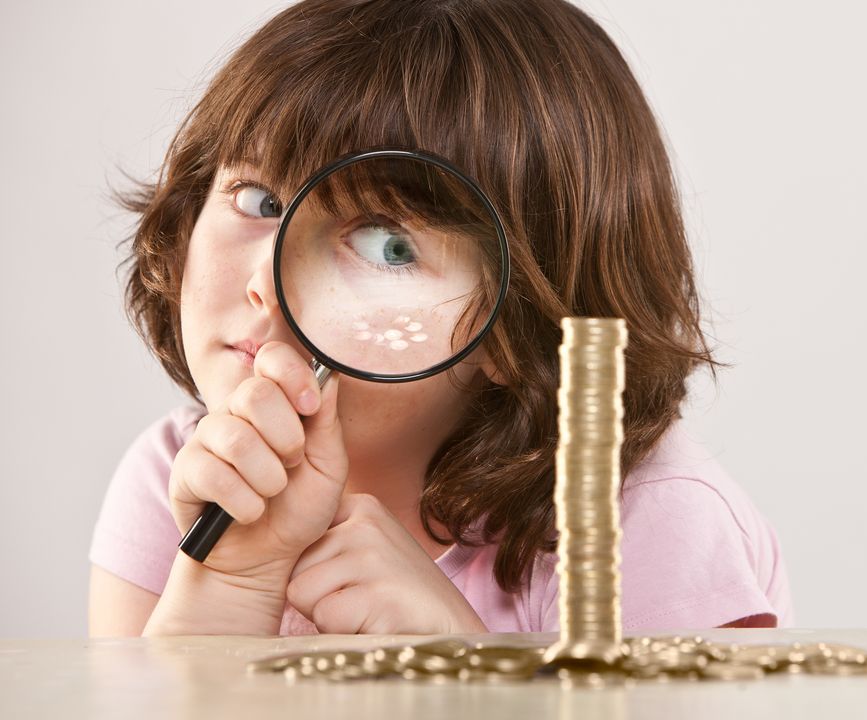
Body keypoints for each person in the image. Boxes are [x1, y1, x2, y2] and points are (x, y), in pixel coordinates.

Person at [87, 0, 792, 637]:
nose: (267, 289)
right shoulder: (180, 476)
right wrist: (227, 586)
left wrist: (467, 670)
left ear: (518, 327)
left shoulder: (643, 526)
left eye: (388, 245)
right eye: (262, 202)